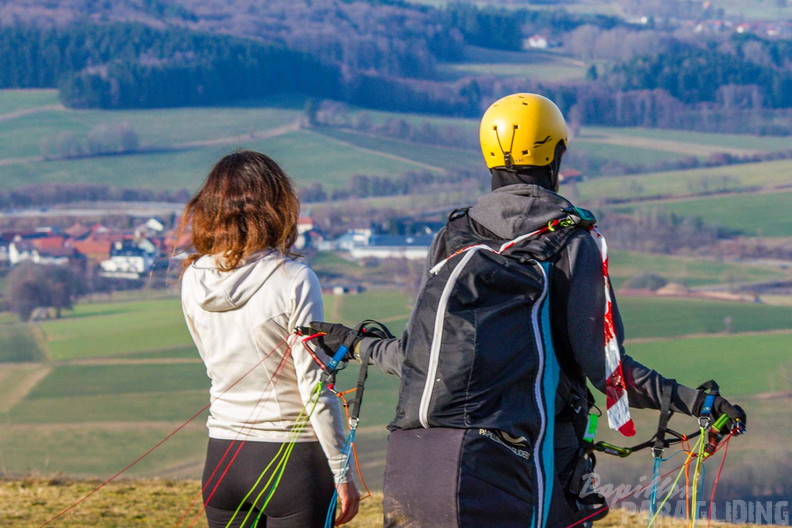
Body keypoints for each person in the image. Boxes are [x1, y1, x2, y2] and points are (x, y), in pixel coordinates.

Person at [309, 94, 746, 528]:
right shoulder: (573, 241)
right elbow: (607, 372)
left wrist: (356, 345)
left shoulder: (453, 235)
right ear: (555, 154)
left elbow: (416, 355)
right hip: (535, 458)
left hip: (430, 457)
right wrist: (700, 404)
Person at [179, 150, 360, 528]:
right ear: (277, 206)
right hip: (292, 464)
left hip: (222, 458)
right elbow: (314, 386)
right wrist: (342, 472)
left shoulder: (193, 277)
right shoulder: (294, 279)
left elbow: (211, 362)